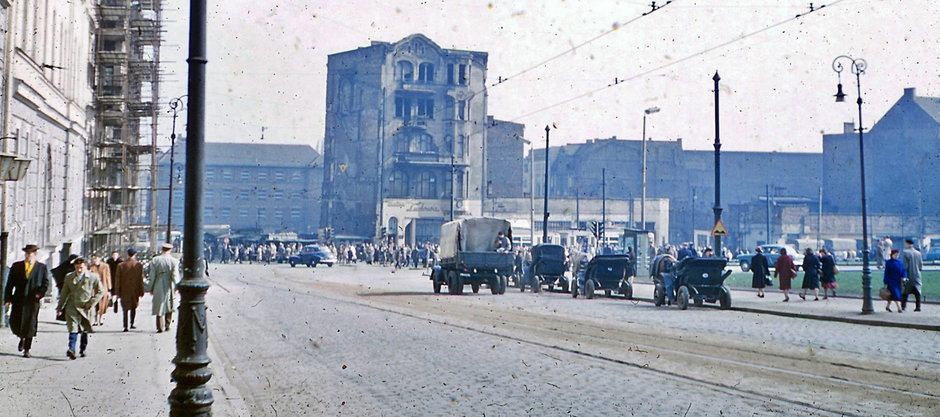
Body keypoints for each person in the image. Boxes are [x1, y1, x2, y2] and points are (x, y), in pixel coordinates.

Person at [4, 244, 49, 358]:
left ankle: (27, 349)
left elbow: (45, 284)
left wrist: (40, 293)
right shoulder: (17, 266)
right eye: (27, 254)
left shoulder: (41, 267)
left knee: (30, 324)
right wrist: (8, 298)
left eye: (31, 254)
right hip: (19, 299)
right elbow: (9, 284)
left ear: (35, 255)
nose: (28, 256)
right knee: (16, 322)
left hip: (32, 300)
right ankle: (21, 338)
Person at [56, 258, 104, 359]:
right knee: (72, 328)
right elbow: (64, 293)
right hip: (72, 306)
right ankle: (71, 349)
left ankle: (83, 349)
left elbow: (101, 291)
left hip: (86, 307)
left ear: (85, 267)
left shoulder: (93, 277)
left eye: (81, 268)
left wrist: (91, 302)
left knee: (84, 329)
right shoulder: (69, 277)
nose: (79, 270)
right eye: (77, 268)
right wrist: (59, 307)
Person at [146, 242, 180, 333]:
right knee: (170, 304)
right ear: (170, 250)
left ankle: (159, 326)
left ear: (162, 249)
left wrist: (150, 287)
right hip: (169, 283)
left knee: (159, 304)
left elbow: (152, 275)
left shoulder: (155, 260)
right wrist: (176, 286)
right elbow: (175, 275)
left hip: (159, 282)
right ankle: (167, 324)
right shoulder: (174, 261)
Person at [114, 248, 145, 332]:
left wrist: (117, 292)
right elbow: (140, 279)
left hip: (124, 290)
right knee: (133, 307)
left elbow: (117, 280)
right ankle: (132, 323)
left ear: (127, 254)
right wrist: (141, 291)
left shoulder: (121, 265)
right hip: (135, 290)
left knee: (125, 309)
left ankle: (125, 326)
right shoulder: (138, 265)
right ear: (135, 254)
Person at [88, 253, 112, 326]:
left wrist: (109, 288)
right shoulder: (91, 267)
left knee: (103, 304)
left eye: (95, 258)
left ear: (99, 259)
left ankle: (101, 318)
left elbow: (108, 276)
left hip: (103, 287)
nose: (94, 260)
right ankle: (95, 319)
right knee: (95, 304)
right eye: (93, 259)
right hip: (94, 288)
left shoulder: (105, 266)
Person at [900, 239, 923, 312]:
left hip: (908, 274)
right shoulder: (918, 253)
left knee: (905, 292)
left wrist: (902, 274)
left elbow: (904, 265)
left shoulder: (905, 252)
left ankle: (903, 306)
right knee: (917, 293)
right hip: (917, 275)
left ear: (907, 243)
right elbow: (920, 265)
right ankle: (918, 307)